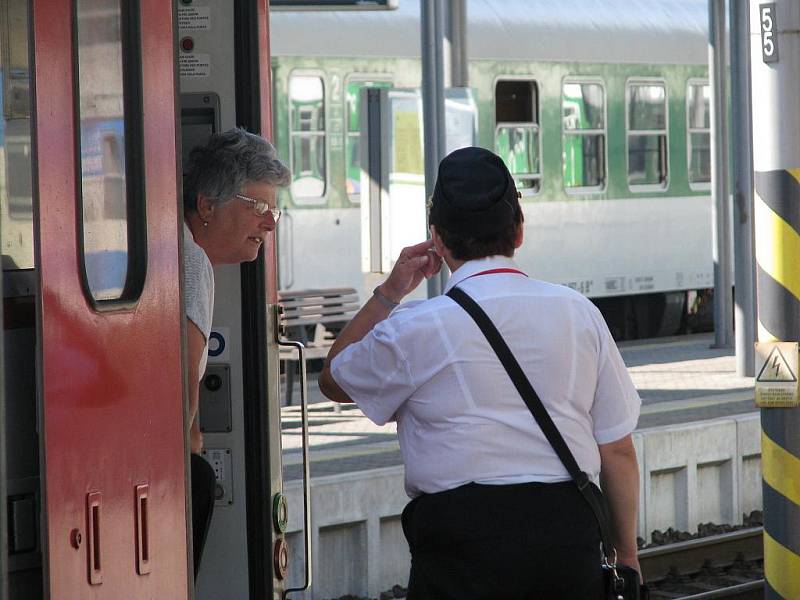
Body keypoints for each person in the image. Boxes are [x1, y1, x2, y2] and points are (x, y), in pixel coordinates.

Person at [319, 147, 641, 599]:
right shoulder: (580, 314)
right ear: (520, 230)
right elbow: (618, 451)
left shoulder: (416, 327)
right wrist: (626, 554)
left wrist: (391, 292)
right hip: (567, 541)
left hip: (460, 548)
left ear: (437, 239)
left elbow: (334, 377)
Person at [183, 128, 290, 577]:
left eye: (275, 210)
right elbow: (182, 402)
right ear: (207, 204)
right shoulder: (191, 265)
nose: (269, 223)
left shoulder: (180, 251)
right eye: (259, 208)